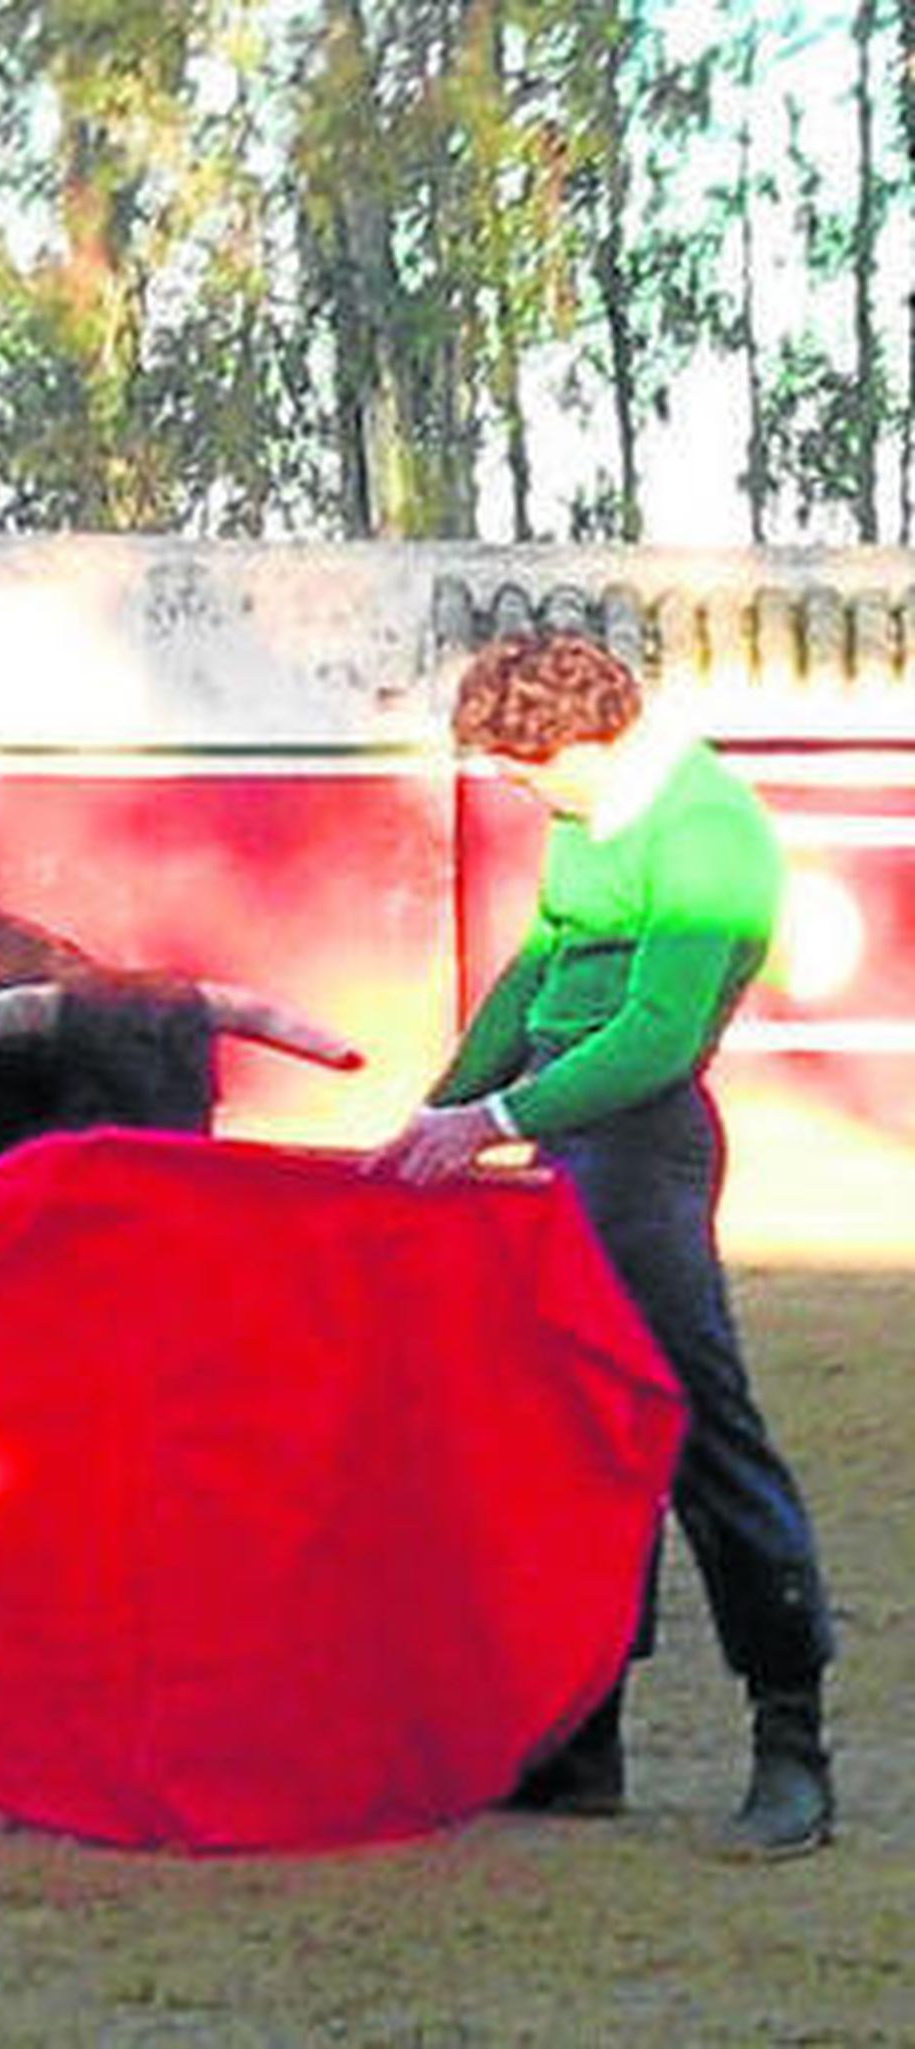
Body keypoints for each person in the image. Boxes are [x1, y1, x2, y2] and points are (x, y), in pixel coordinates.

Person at [376, 629, 836, 1859]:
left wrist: (490, 1119)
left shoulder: (705, 832)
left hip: (638, 1152)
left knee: (695, 1428)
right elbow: (540, 975)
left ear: (590, 736)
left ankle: (792, 1749)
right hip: (566, 1146)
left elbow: (654, 1037)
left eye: (532, 771)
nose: (527, 795)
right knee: (570, 1435)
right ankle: (583, 1746)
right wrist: (438, 1110)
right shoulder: (597, 815)